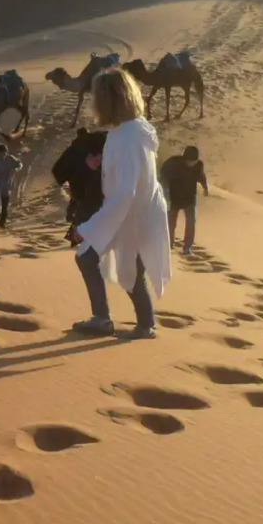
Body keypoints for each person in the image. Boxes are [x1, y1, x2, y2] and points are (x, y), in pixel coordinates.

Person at [71, 67, 171, 340]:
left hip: (130, 213)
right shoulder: (131, 130)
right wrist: (103, 165)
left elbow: (126, 191)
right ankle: (108, 319)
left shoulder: (128, 137)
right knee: (98, 260)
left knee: (122, 266)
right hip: (130, 210)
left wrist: (91, 226)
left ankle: (139, 325)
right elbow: (132, 171)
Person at [158, 145, 209, 254]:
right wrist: (164, 193)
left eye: (193, 161)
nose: (191, 164)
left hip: (190, 198)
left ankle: (187, 247)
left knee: (191, 221)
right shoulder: (173, 164)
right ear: (184, 159)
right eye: (189, 161)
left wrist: (205, 188)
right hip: (173, 198)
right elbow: (163, 177)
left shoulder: (198, 165)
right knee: (171, 223)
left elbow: (201, 176)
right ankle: (168, 245)